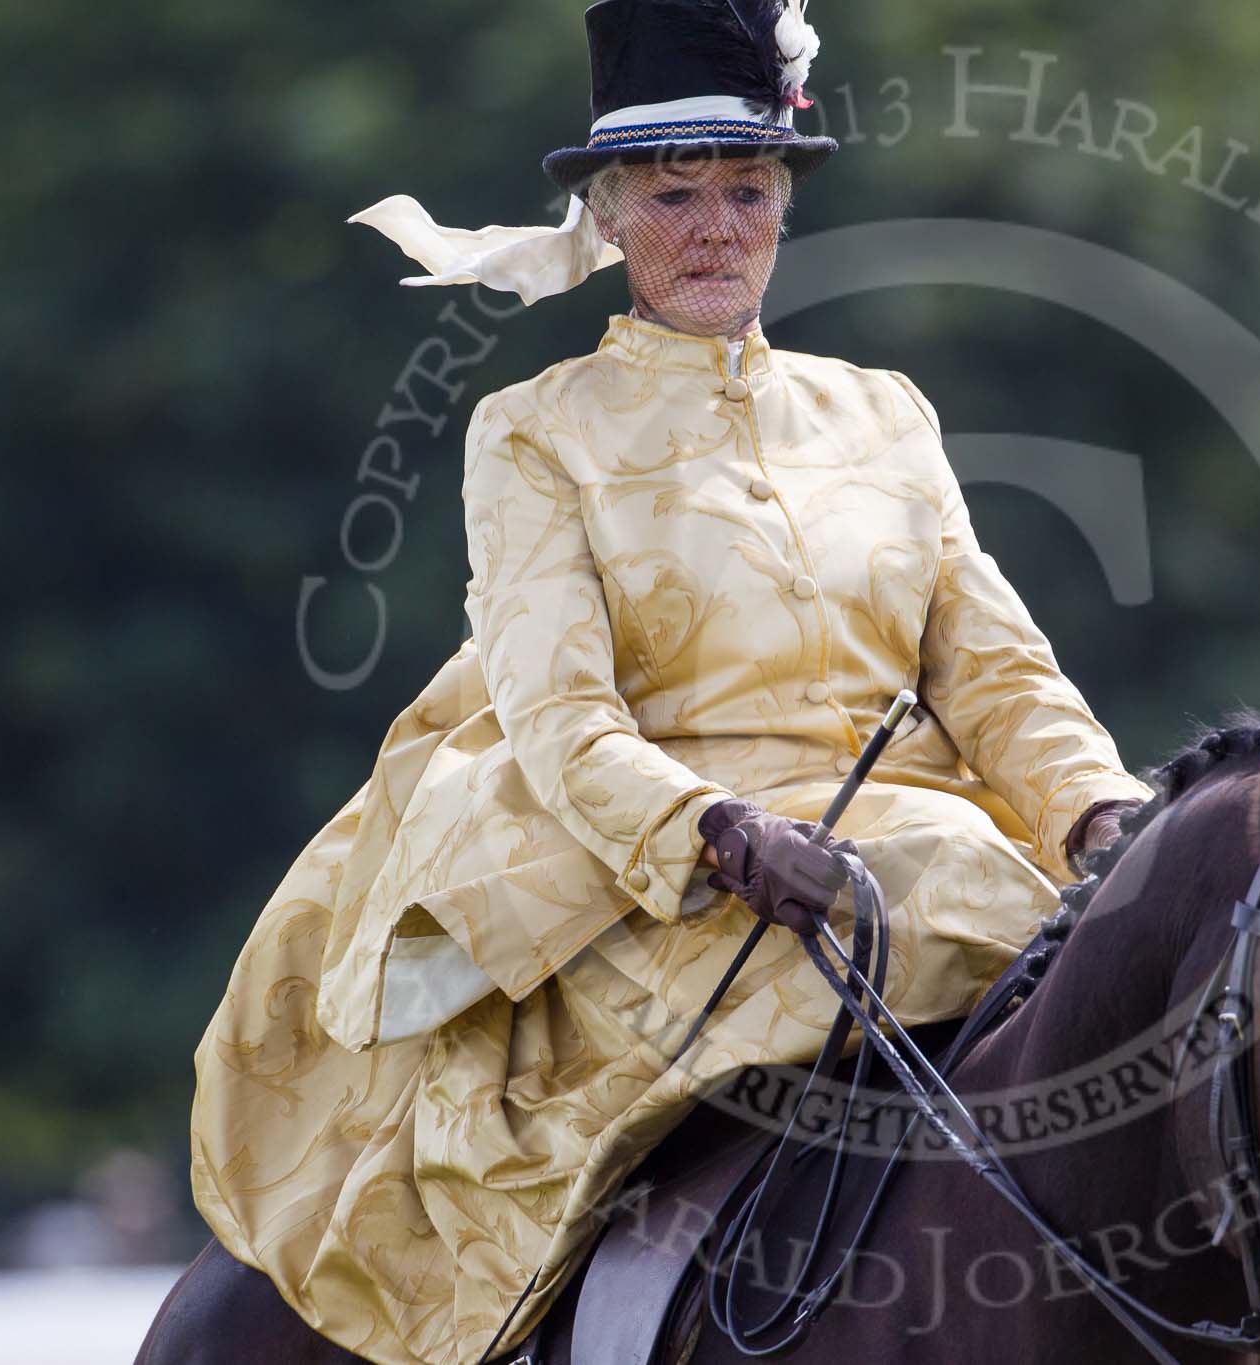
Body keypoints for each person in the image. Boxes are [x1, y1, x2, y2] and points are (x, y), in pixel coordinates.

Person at [158, 3, 1154, 1363]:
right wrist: (713, 829)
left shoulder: (887, 412)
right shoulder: (533, 432)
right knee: (945, 864)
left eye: (746, 189)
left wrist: (1101, 809)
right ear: (613, 216)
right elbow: (559, 715)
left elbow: (998, 671)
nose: (714, 227)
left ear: (785, 207)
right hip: (665, 874)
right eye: (675, 195)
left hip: (909, 844)